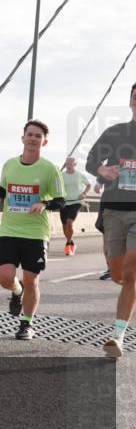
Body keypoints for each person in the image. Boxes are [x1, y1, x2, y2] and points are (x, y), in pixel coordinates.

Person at [0, 120, 66, 341]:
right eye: (29, 134)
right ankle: (16, 291)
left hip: (36, 233)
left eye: (37, 136)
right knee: (4, 277)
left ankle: (27, 324)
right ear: (22, 138)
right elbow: (3, 189)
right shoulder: (10, 164)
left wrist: (45, 204)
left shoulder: (50, 169)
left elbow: (61, 201)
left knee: (32, 280)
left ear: (44, 141)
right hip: (9, 229)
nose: (32, 138)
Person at [85, 83, 136, 358]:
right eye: (135, 96)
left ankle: (118, 336)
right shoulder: (116, 133)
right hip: (114, 210)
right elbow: (91, 160)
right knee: (118, 274)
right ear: (130, 101)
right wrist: (102, 169)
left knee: (130, 273)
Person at [60, 157, 91, 255]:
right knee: (65, 226)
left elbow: (89, 185)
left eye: (71, 163)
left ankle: (69, 244)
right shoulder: (61, 175)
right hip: (64, 203)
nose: (69, 164)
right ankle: (70, 241)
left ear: (75, 164)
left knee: (69, 222)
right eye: (67, 163)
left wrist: (84, 194)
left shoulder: (79, 175)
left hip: (77, 202)